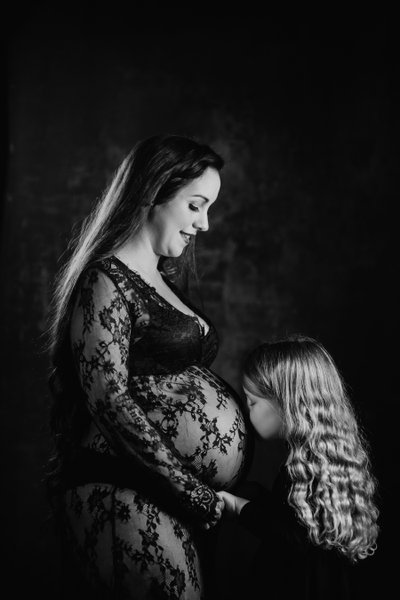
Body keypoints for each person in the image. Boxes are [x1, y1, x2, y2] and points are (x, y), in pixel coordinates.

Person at [45, 134, 251, 599]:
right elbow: (109, 401)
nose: (205, 223)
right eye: (196, 205)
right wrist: (195, 494)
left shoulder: (159, 278)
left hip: (162, 497)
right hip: (122, 490)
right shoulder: (105, 279)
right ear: (155, 192)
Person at [217, 335, 379, 600]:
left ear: (287, 403)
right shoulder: (324, 459)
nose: (246, 412)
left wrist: (239, 508)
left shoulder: (306, 466)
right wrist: (257, 495)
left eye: (252, 401)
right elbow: (296, 520)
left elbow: (294, 539)